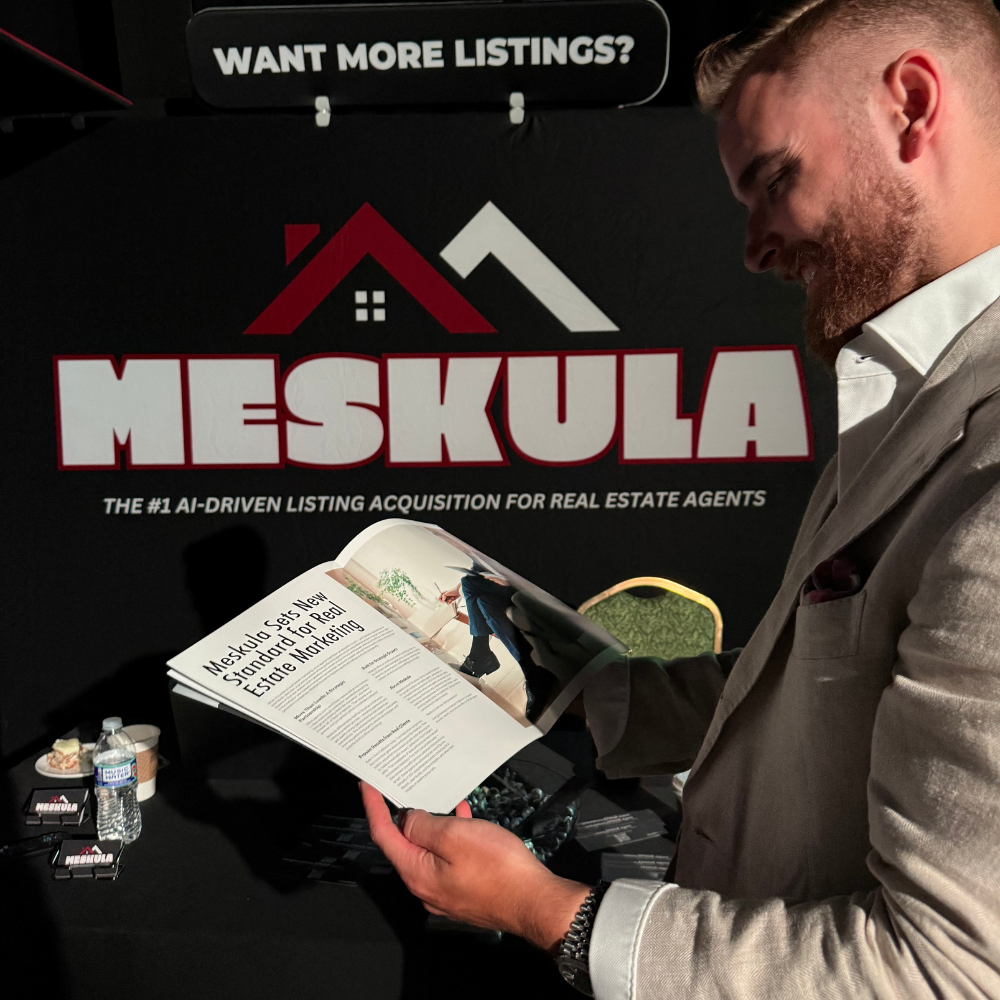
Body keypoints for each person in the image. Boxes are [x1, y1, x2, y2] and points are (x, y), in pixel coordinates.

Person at [362, 1, 1000, 996]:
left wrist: (546, 914)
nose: (753, 247)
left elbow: (940, 973)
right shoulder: (923, 383)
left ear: (912, 105)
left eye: (775, 179)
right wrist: (557, 678)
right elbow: (820, 687)